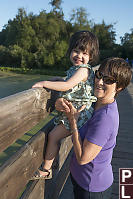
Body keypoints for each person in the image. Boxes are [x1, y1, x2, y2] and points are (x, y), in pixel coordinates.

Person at [55, 57, 132, 199]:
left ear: (119, 87)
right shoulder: (95, 99)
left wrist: (73, 122)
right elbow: (71, 92)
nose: (99, 82)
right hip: (80, 178)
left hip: (92, 188)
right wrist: (60, 101)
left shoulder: (106, 118)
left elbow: (83, 159)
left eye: (108, 80)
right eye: (99, 75)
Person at [31, 31, 99, 179]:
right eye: (76, 51)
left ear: (90, 57)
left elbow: (68, 85)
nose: (79, 56)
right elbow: (71, 83)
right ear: (70, 51)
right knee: (54, 135)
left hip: (80, 113)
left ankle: (46, 170)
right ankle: (50, 166)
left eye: (84, 53)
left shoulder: (83, 70)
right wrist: (57, 80)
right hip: (75, 112)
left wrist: (44, 83)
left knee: (53, 136)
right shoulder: (77, 70)